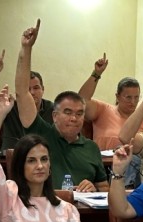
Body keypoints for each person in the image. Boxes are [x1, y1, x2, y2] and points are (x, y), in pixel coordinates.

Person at [0, 84, 83, 222]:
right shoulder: (8, 197)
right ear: (20, 165)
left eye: (44, 159)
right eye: (31, 161)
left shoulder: (68, 210)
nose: (40, 166)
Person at [16, 19, 107, 192]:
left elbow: (105, 189)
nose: (74, 118)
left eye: (79, 113)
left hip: (83, 214)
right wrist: (26, 49)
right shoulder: (42, 134)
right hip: (45, 211)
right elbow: (22, 93)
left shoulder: (91, 148)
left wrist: (94, 188)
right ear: (54, 116)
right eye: (68, 112)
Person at [80, 55, 143, 188]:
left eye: (136, 97)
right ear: (117, 96)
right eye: (128, 97)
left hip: (134, 170)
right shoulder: (103, 109)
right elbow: (81, 100)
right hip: (103, 168)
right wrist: (96, 73)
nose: (133, 102)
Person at [0, 50, 55, 150]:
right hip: (12, 159)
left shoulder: (53, 110)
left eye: (36, 88)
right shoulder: (10, 107)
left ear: (43, 90)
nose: (31, 92)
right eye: (27, 89)